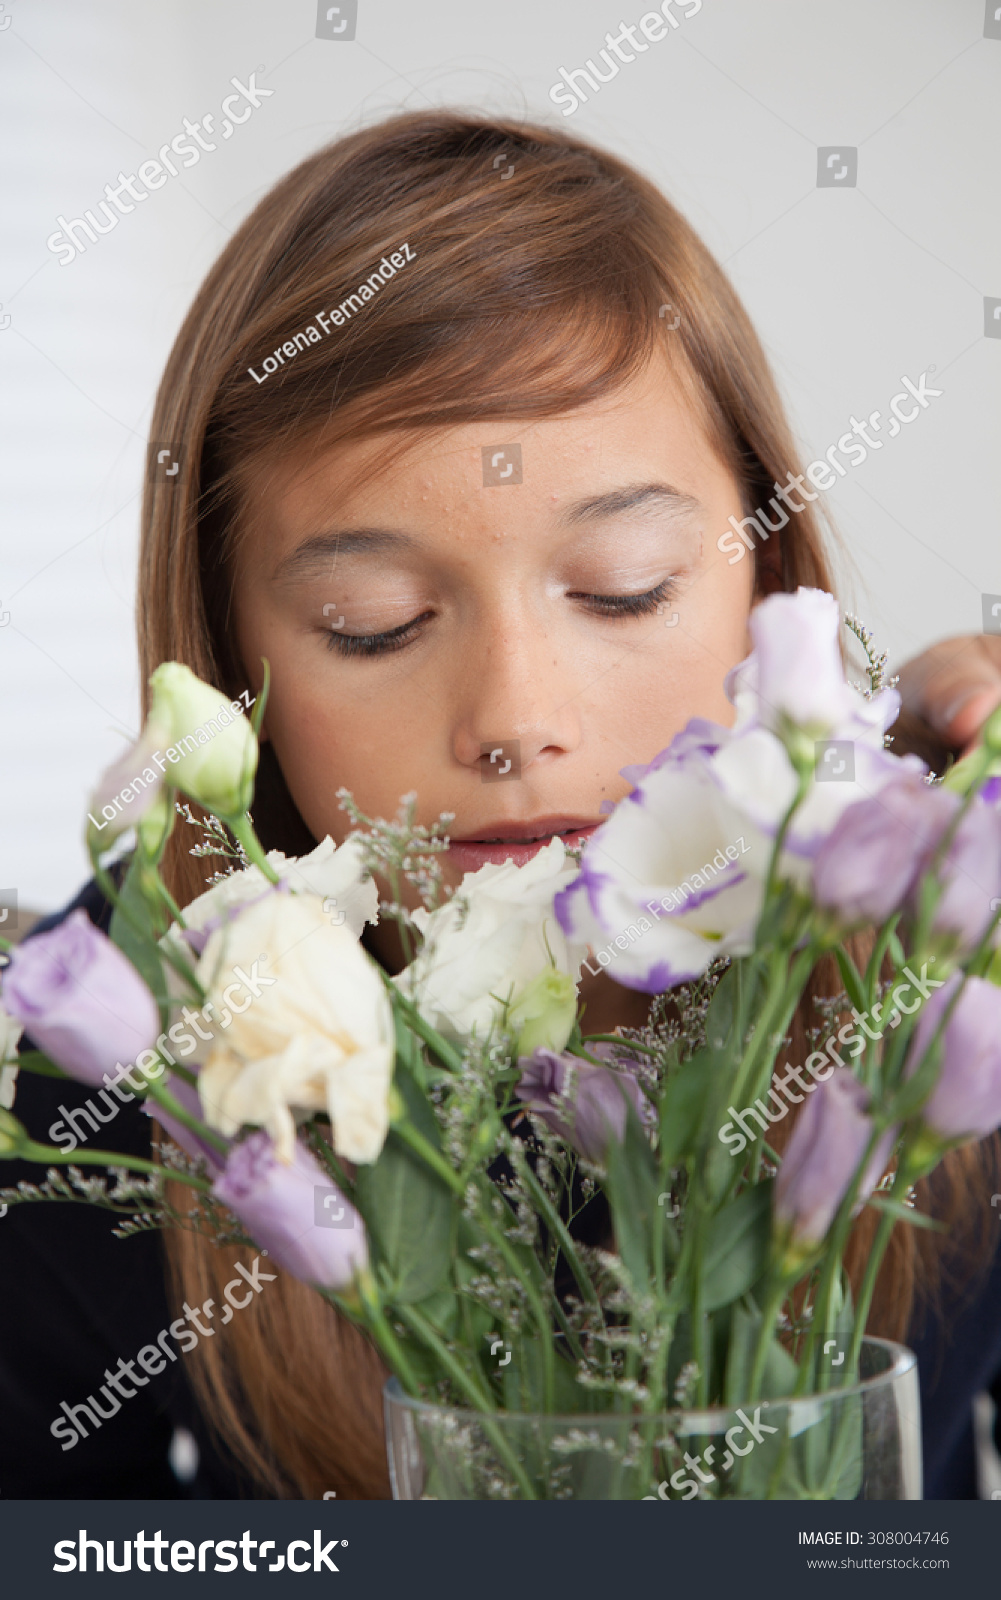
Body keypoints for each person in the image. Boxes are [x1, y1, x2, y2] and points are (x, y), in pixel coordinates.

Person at [3, 110, 1001, 1502]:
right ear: (231, 663)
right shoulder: (122, 1032)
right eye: (374, 622)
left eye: (624, 587)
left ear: (766, 579)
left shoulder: (941, 952)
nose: (517, 719)